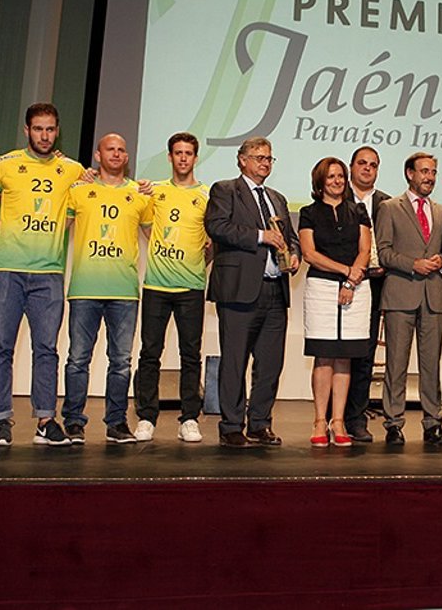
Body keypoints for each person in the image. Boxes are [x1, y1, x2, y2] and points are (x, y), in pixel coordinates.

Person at [0, 102, 81, 447]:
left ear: (57, 131)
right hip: (6, 271)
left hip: (49, 273)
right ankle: (0, 421)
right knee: (0, 348)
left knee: (47, 349)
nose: (45, 135)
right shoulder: (4, 165)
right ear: (26, 130)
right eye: (38, 129)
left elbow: (84, 203)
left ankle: (45, 419)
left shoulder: (72, 170)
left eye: (50, 129)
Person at [206, 136, 300, 448]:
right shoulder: (225, 190)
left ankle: (260, 423)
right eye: (259, 157)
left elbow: (289, 236)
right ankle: (232, 425)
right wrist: (261, 236)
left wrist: (295, 253)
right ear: (242, 160)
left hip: (275, 290)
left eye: (269, 158)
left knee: (271, 363)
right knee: (234, 361)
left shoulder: (278, 198)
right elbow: (217, 227)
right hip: (239, 289)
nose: (265, 163)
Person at [60, 133, 154, 445]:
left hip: (124, 291)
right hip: (84, 288)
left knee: (121, 362)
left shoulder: (140, 194)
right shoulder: (79, 190)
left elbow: (157, 236)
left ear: (127, 157)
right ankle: (73, 422)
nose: (116, 154)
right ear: (98, 156)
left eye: (121, 150)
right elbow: (57, 226)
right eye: (110, 149)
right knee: (77, 359)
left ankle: (116, 423)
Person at [133, 133, 210, 444]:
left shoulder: (206, 195)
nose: (182, 158)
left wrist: (206, 252)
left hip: (191, 287)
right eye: (177, 153)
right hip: (156, 286)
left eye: (188, 153)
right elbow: (147, 228)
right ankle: (146, 418)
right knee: (150, 354)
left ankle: (189, 418)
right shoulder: (155, 191)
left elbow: (212, 240)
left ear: (195, 157)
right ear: (169, 157)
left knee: (190, 355)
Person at [375, 151, 442, 444]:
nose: (429, 177)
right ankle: (393, 423)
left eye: (433, 172)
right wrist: (413, 264)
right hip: (400, 294)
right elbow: (383, 251)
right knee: (396, 363)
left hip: (433, 295)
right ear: (410, 174)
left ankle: (433, 422)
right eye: (424, 172)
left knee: (431, 365)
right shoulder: (389, 208)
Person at [299, 156, 372, 448]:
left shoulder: (359, 211)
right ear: (320, 181)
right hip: (321, 288)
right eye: (331, 177)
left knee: (345, 356)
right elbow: (309, 253)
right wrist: (345, 273)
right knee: (325, 354)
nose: (337, 181)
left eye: (341, 176)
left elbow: (365, 250)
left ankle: (338, 421)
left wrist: (352, 281)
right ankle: (319, 420)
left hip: (357, 290)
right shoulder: (308, 213)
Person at [342, 145, 390, 442]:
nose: (367, 169)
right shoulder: (335, 196)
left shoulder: (387, 204)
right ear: (351, 166)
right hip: (341, 281)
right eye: (362, 163)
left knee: (365, 353)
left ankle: (356, 418)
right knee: (337, 355)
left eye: (373, 165)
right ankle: (334, 416)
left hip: (375, 284)